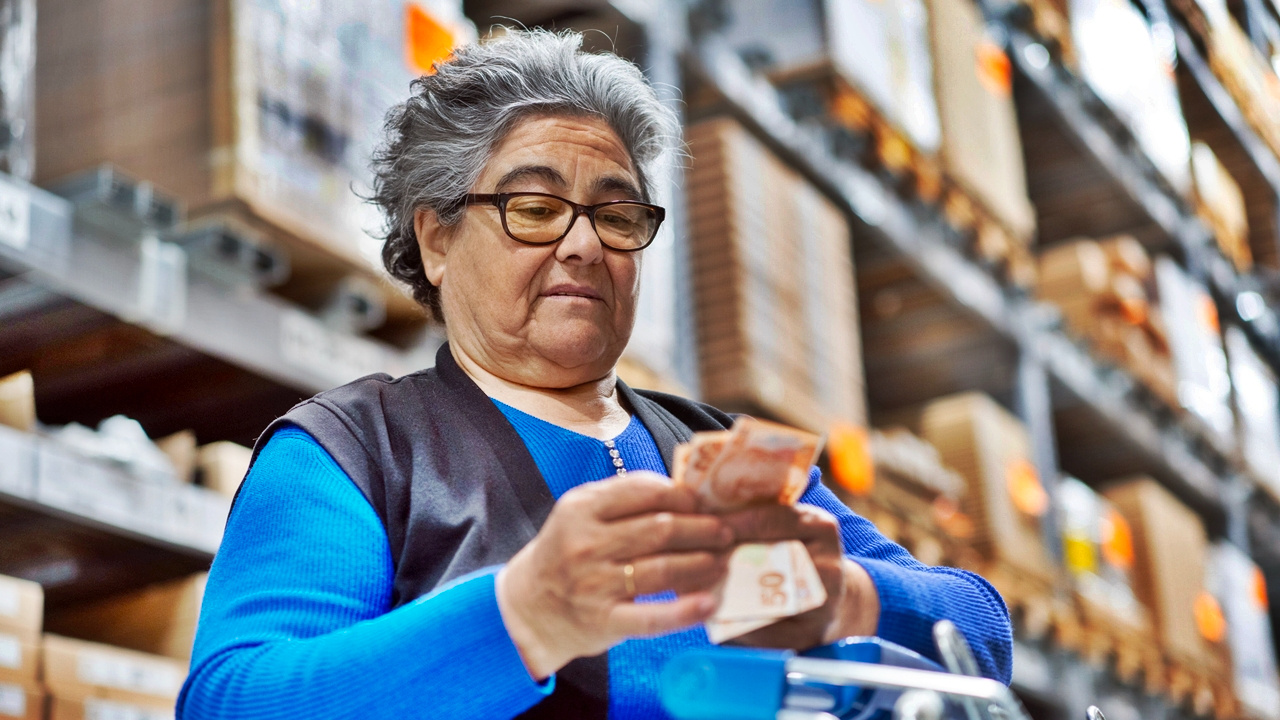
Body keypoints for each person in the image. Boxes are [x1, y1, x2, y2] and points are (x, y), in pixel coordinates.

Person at [178, 29, 1012, 720]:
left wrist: (847, 600)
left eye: (616, 215)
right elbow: (231, 699)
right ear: (436, 240)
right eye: (534, 209)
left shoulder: (715, 449)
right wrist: (522, 617)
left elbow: (981, 632)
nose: (583, 245)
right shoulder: (357, 454)